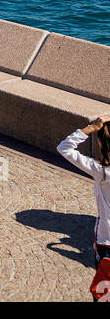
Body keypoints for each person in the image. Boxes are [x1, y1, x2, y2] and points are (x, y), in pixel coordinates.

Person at [57, 115, 110, 274]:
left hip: (107, 240)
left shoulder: (101, 171)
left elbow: (64, 148)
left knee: (104, 285)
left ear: (101, 143)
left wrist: (91, 128)